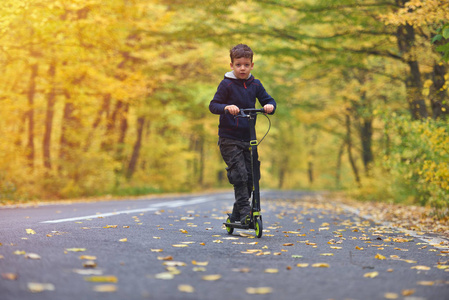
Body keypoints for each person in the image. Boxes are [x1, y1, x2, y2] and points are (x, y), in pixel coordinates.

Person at [209, 44, 276, 225]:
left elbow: (268, 100)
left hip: (249, 138)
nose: (242, 68)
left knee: (252, 177)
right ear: (231, 65)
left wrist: (270, 106)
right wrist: (226, 107)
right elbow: (213, 105)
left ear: (252, 65)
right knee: (239, 175)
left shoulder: (255, 84)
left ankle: (236, 214)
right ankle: (246, 215)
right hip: (229, 138)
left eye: (246, 65)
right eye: (238, 65)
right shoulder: (226, 84)